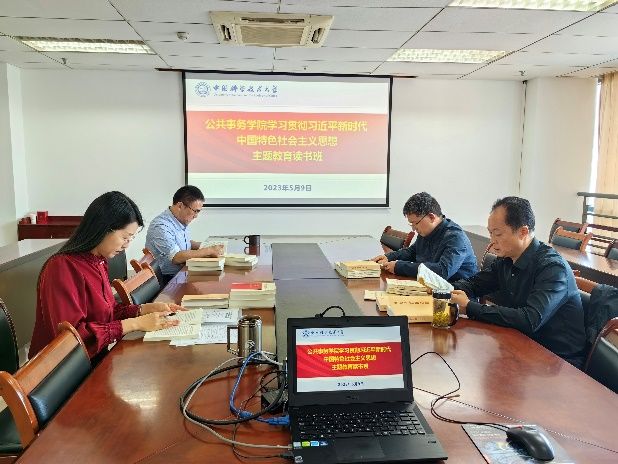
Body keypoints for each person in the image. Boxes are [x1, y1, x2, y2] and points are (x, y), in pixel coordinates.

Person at [29, 191, 182, 360]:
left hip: (93, 358)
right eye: (125, 237)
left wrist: (143, 310)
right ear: (103, 228)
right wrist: (135, 323)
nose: (126, 245)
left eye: (131, 238)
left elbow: (107, 313)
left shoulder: (98, 261)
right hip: (63, 369)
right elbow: (72, 339)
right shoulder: (61, 267)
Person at [450, 196, 587, 368]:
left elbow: (529, 319)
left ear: (523, 232)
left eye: (498, 234)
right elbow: (474, 284)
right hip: (520, 343)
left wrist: (469, 306)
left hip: (557, 362)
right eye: (490, 233)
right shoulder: (507, 258)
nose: (492, 241)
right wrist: (442, 290)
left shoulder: (552, 268)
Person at [372, 192, 477, 281]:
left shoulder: (455, 237)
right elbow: (412, 252)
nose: (413, 229)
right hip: (430, 286)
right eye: (411, 224)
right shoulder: (426, 231)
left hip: (456, 292)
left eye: (415, 223)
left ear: (431, 217)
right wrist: (389, 257)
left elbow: (442, 271)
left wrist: (399, 266)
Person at [145, 186, 222, 284]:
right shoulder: (161, 226)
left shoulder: (179, 220)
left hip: (182, 273)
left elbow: (184, 243)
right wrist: (209, 250)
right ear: (180, 206)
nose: (196, 216)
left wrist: (206, 245)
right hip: (168, 281)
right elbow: (176, 257)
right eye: (195, 211)